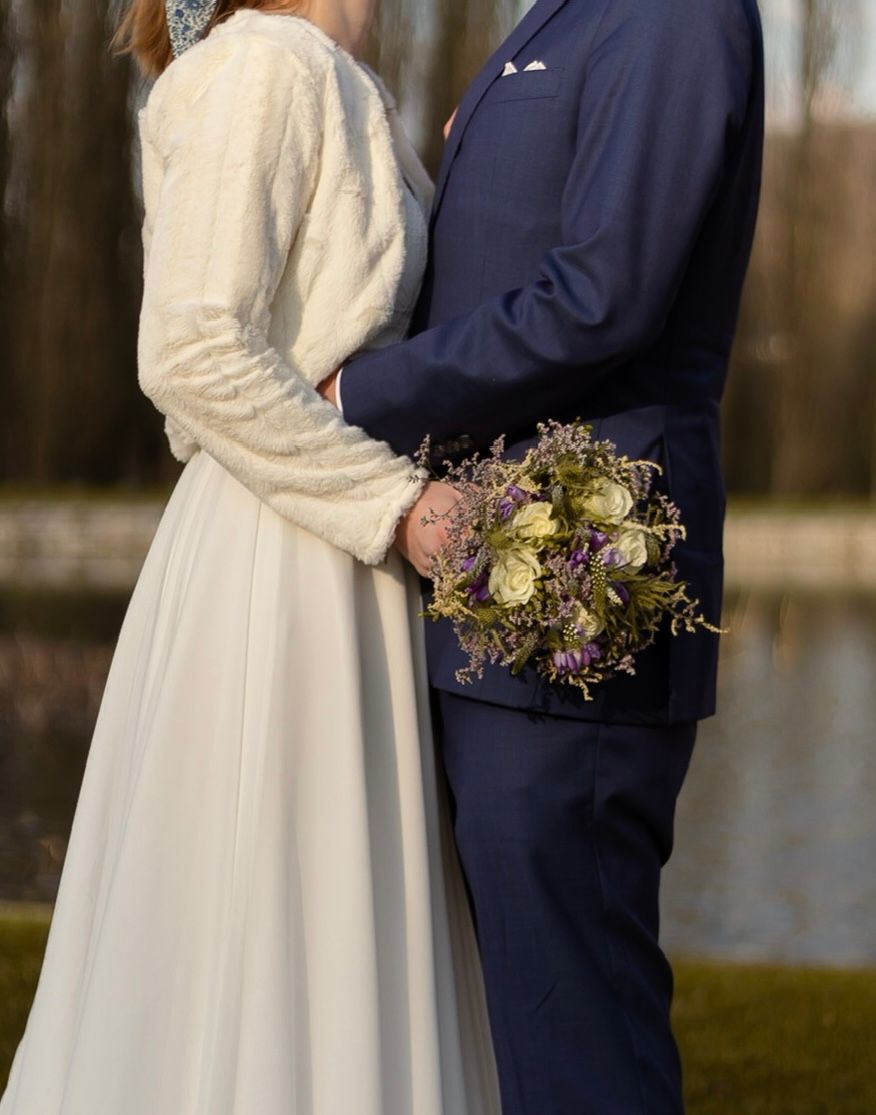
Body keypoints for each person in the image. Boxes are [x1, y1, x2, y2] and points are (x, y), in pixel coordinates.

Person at [0, 3, 500, 1113]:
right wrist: (392, 505)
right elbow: (192, 348)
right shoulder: (266, 67)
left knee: (337, 910)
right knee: (272, 906)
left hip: (337, 554)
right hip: (283, 564)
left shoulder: (337, 80)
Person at [321, 0, 766, 1112]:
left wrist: (355, 395)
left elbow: (602, 298)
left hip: (578, 597)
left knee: (579, 1045)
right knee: (523, 1040)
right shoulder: (572, 14)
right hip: (487, 596)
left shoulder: (672, 14)